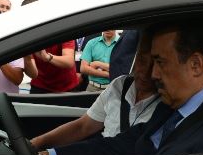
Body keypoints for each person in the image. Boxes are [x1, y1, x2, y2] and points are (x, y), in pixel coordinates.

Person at [40, 20, 203, 155]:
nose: (153, 74)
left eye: (160, 62)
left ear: (196, 65)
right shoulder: (172, 110)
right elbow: (119, 146)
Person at [31, 34, 159, 149]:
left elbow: (70, 62)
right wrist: (36, 143)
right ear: (134, 58)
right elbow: (83, 127)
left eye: (156, 63)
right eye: (142, 61)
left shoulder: (166, 107)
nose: (145, 71)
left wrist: (98, 65)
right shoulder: (119, 85)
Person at [22, 0, 79, 93]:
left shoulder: (62, 29)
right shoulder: (26, 35)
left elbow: (69, 62)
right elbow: (33, 74)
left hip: (67, 86)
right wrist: (27, 59)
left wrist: (47, 57)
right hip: (40, 86)